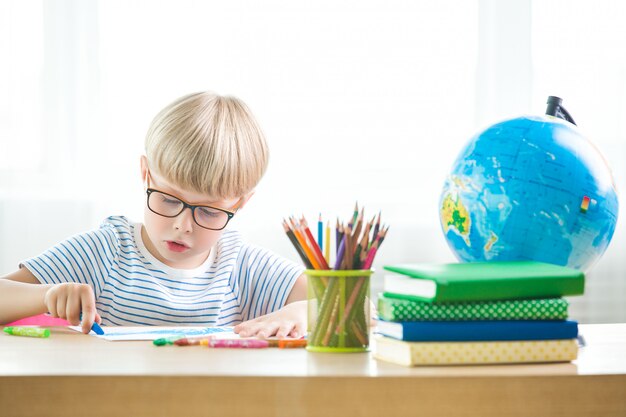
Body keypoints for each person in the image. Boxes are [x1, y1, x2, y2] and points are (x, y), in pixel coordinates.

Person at [0, 92, 307, 338]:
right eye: (169, 200)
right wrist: (47, 295)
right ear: (146, 174)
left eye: (209, 212)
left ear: (239, 204)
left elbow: (347, 303)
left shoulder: (241, 266)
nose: (182, 225)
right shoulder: (105, 252)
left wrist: (303, 312)